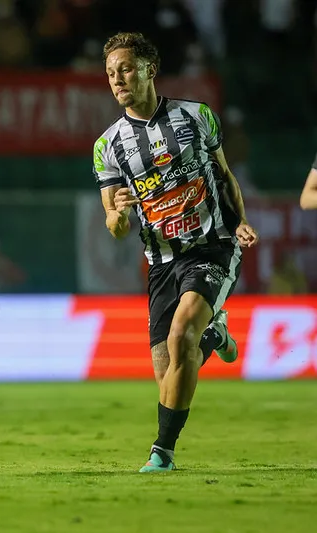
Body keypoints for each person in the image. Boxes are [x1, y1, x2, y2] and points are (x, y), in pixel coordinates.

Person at [93, 32, 259, 472]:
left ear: (150, 68)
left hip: (213, 245)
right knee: (169, 370)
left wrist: (239, 220)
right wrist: (120, 216)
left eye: (126, 68)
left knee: (181, 333)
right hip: (161, 263)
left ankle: (161, 453)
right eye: (111, 73)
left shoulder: (196, 116)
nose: (118, 79)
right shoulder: (108, 147)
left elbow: (224, 176)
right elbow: (113, 224)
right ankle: (214, 336)